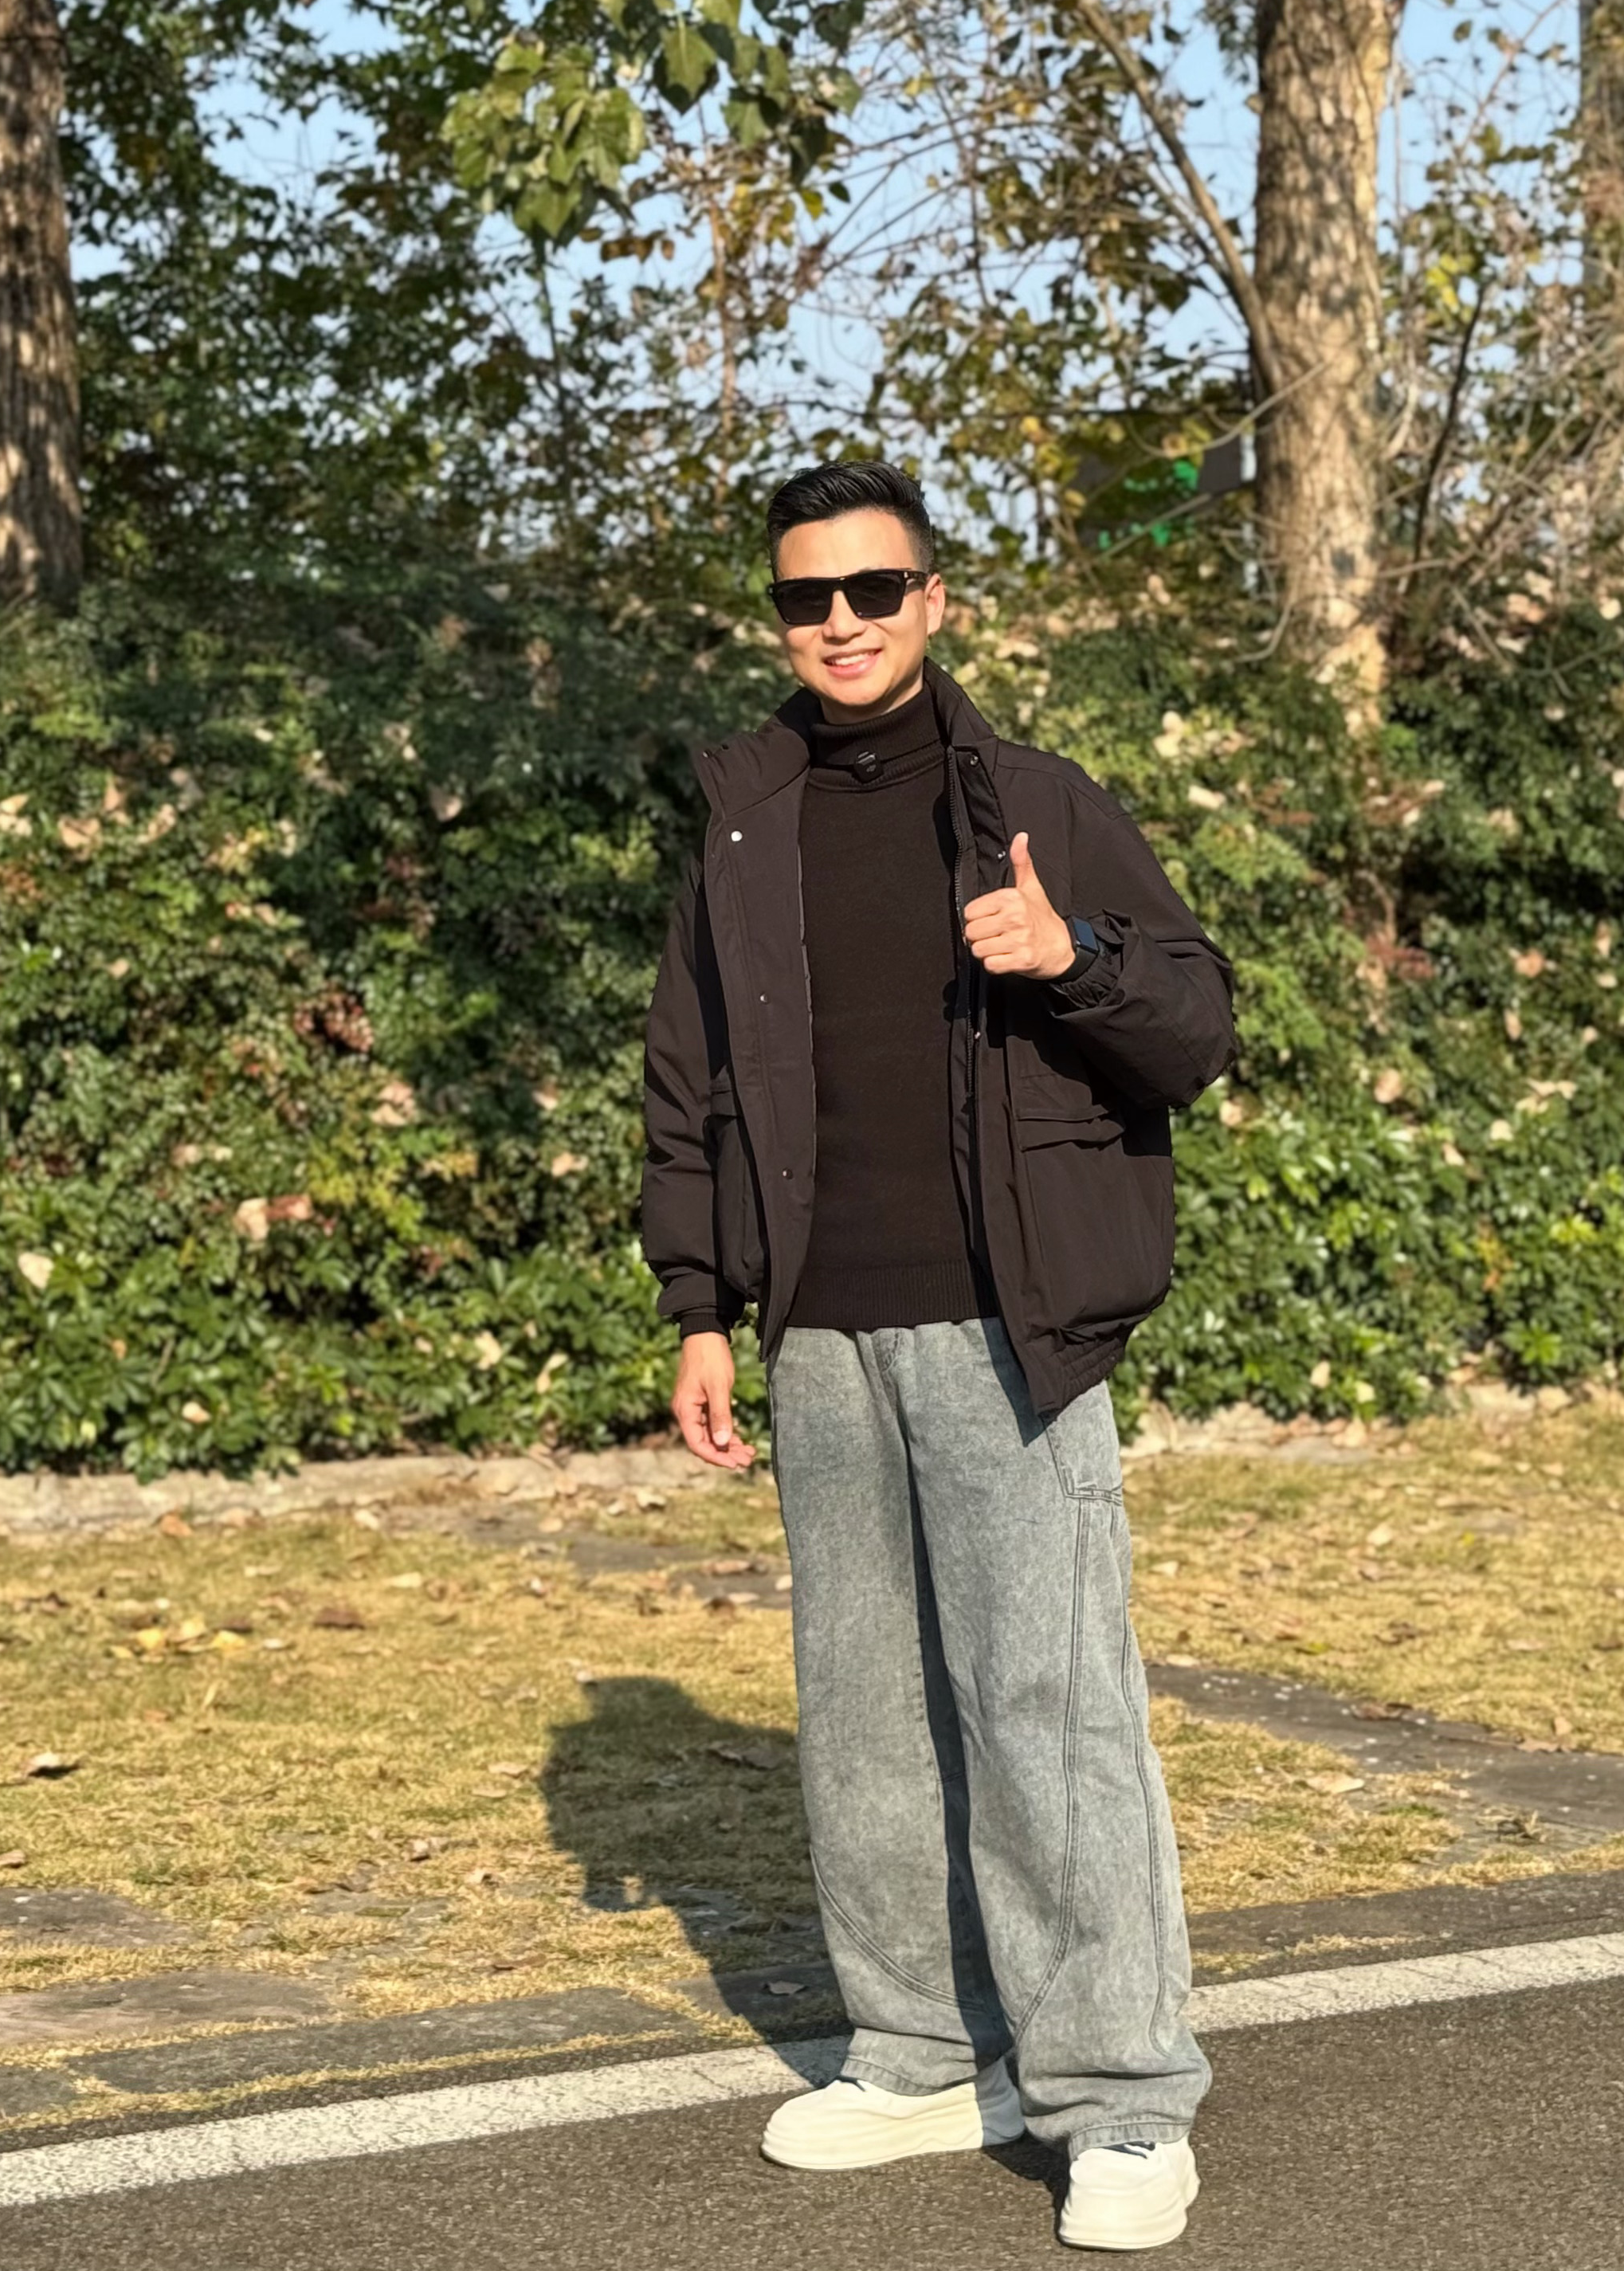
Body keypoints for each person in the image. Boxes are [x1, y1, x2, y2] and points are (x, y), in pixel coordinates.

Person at [641, 461, 1234, 2253]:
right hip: (817, 1328)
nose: (839, 622)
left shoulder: (1035, 801)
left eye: (872, 589)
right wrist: (697, 1304)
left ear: (933, 601)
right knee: (867, 1718)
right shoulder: (742, 819)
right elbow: (690, 1085)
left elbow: (1196, 1024)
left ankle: (1121, 2098)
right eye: (804, 598)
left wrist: (1072, 954)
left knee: (1046, 1705)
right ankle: (917, 2054)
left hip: (1009, 1325)